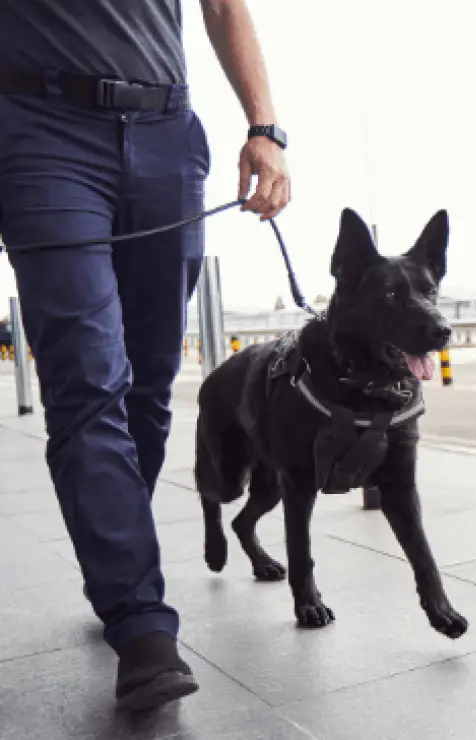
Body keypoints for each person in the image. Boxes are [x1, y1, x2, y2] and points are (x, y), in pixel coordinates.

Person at [0, 0, 290, 711]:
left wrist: (264, 127)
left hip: (166, 133)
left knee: (149, 385)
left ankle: (113, 552)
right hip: (41, 133)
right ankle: (139, 621)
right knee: (88, 380)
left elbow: (223, 5)